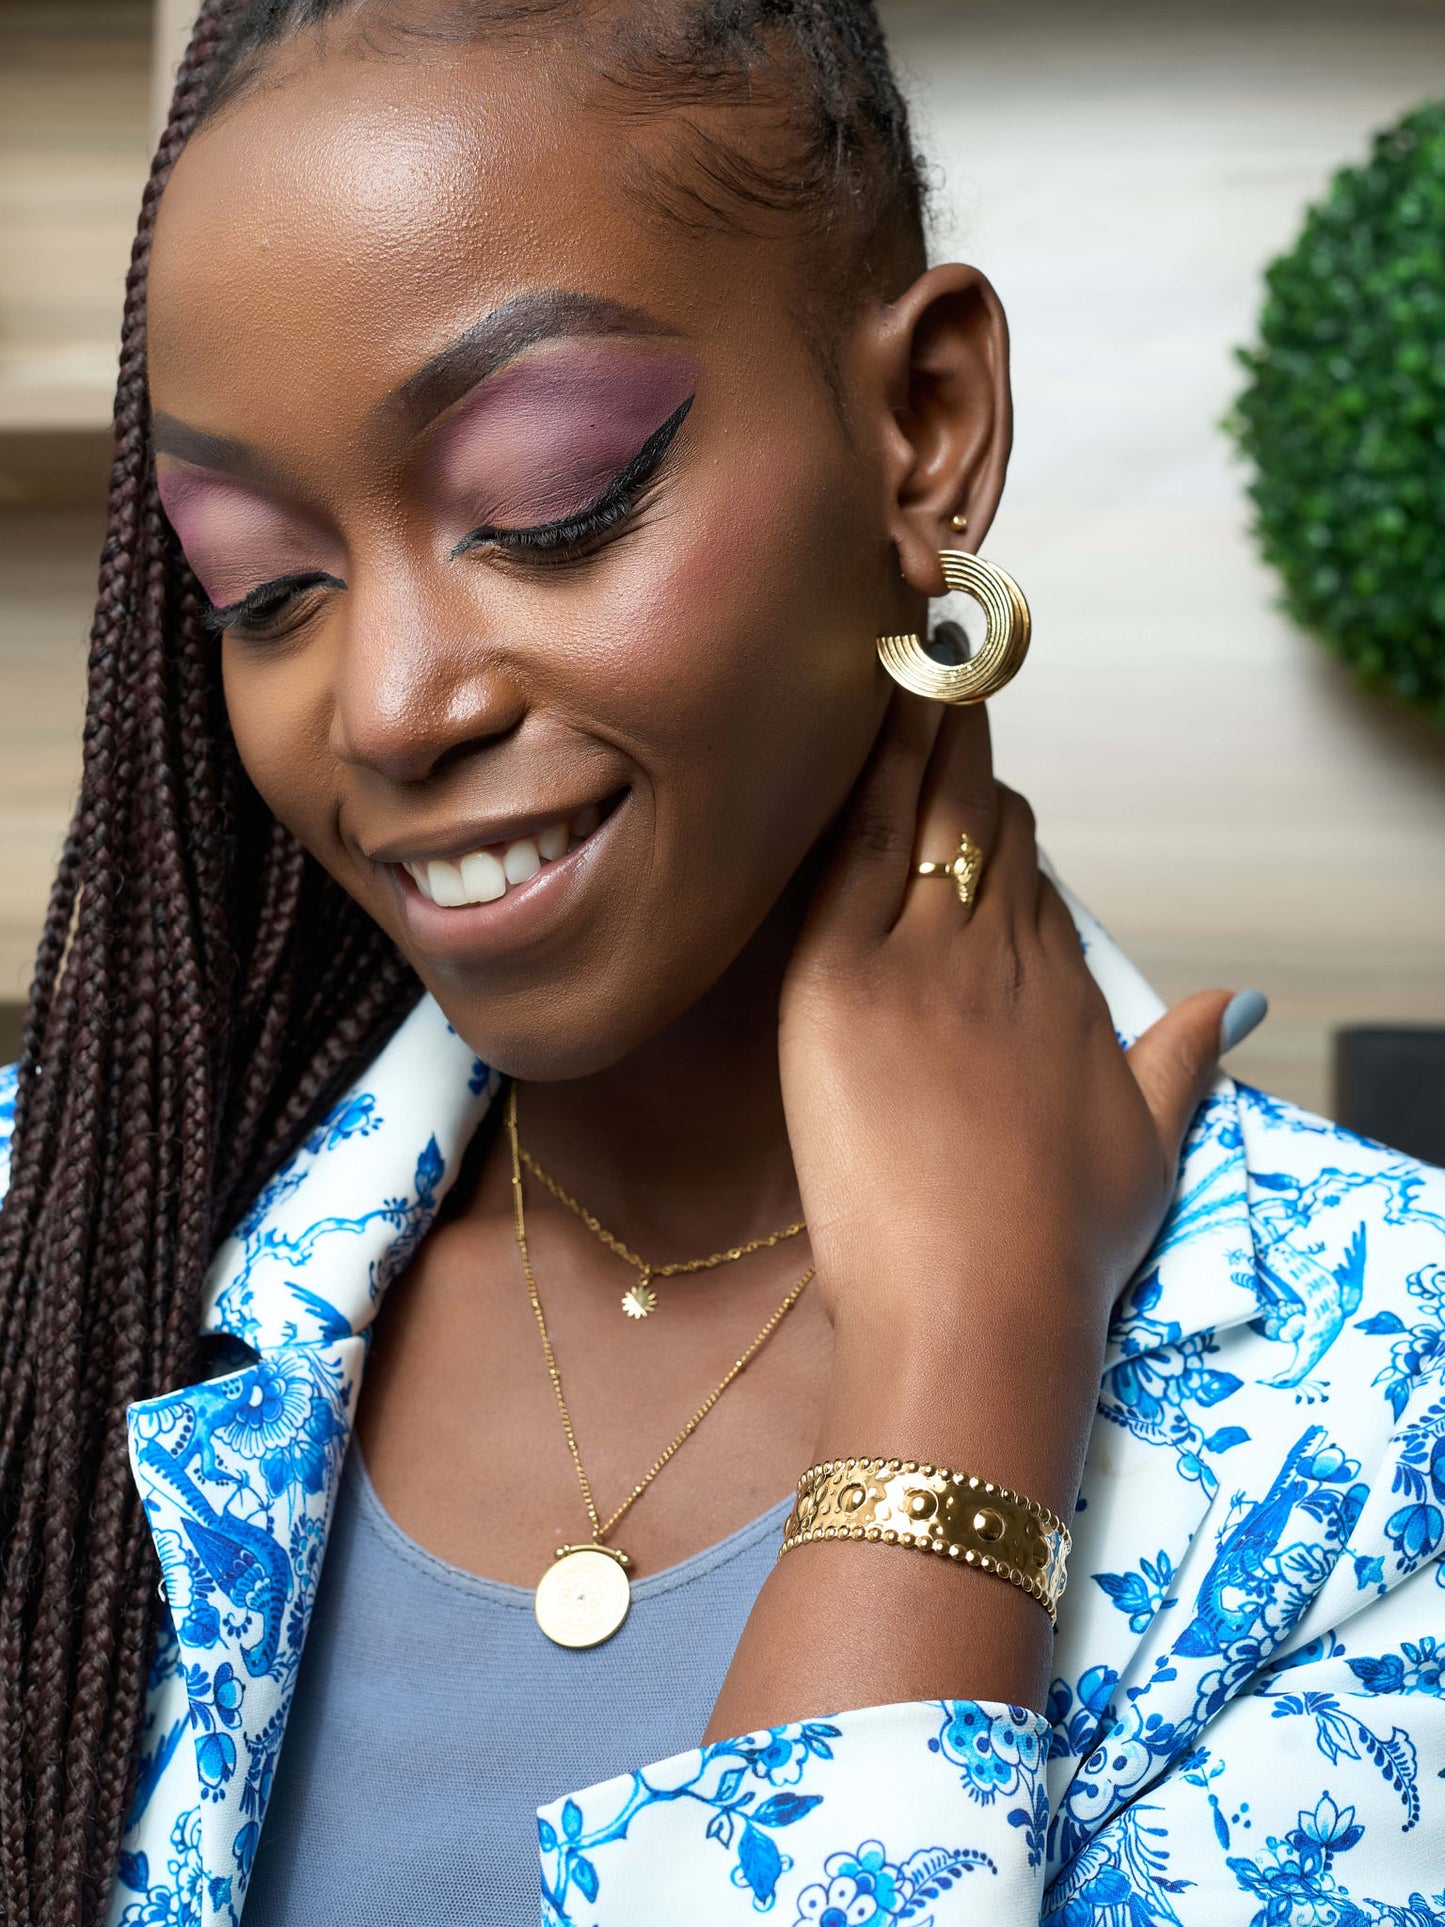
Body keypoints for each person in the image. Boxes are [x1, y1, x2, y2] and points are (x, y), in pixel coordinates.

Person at [1, 2, 1441, 1923]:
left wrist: (967, 1357)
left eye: (549, 504)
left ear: (925, 427)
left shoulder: (1388, 1404)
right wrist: (961, 1359)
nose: (389, 707)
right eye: (266, 588)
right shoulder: (53, 1225)